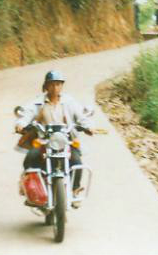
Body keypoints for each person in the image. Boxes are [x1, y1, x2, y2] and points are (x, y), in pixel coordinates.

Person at [14, 70, 100, 202]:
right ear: (46, 86)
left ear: (62, 86)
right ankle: (30, 188)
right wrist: (21, 124)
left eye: (58, 84)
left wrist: (89, 127)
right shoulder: (38, 102)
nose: (55, 88)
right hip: (44, 141)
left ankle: (75, 189)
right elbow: (26, 114)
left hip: (66, 141)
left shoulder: (69, 102)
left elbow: (82, 117)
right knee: (30, 159)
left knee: (77, 161)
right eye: (52, 84)